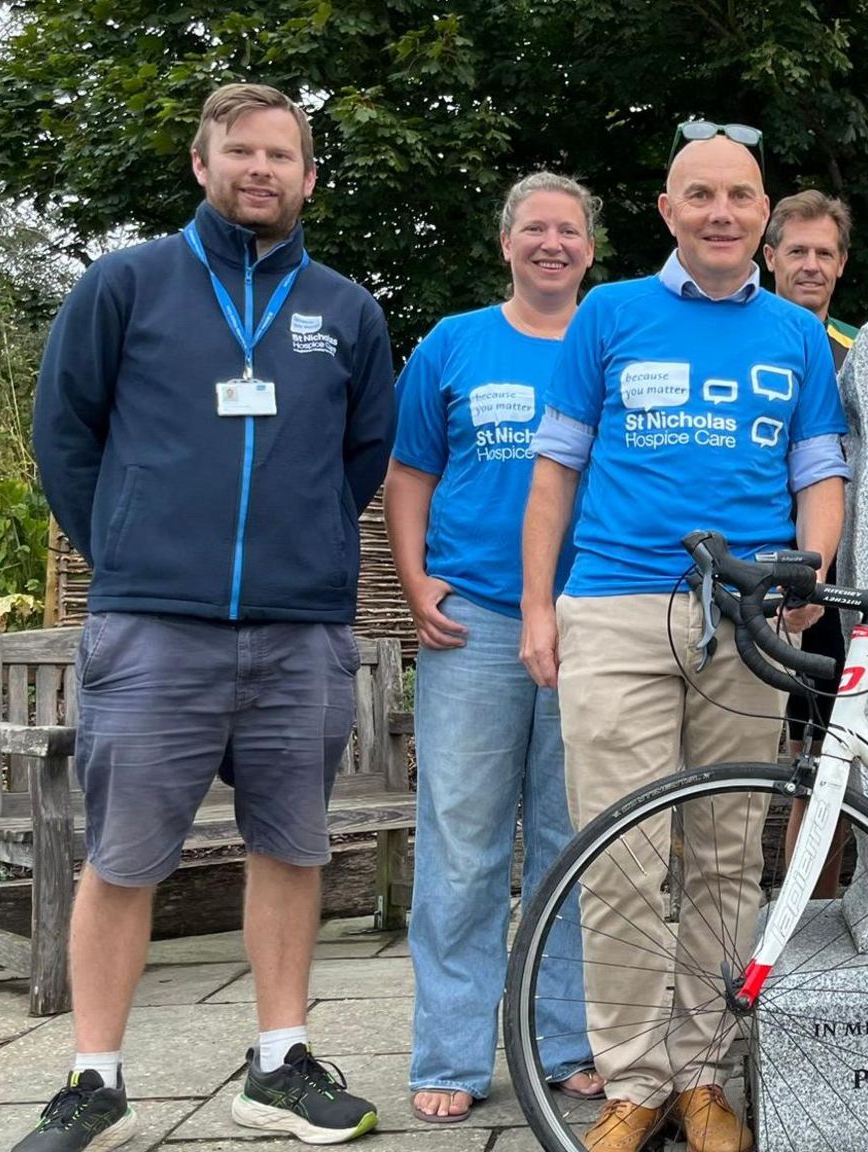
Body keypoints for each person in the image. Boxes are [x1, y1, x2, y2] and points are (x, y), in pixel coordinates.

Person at [25, 82, 392, 1150]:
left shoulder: (344, 310)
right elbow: (66, 432)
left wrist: (306, 549)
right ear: (203, 162)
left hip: (299, 630)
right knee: (125, 856)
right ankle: (96, 1077)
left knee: (291, 846)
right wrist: (130, 549)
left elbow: (359, 455)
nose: (260, 170)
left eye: (282, 155)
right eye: (241, 152)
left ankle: (278, 1062)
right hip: (154, 627)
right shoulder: (127, 284)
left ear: (309, 177)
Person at [519, 122, 849, 1152]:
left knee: (718, 856)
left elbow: (819, 474)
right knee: (618, 853)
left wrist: (811, 573)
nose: (719, 213)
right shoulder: (609, 314)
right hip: (616, 607)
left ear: (761, 214)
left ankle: (705, 1076)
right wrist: (538, 607)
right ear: (667, 211)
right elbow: (556, 471)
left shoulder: (794, 335)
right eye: (698, 195)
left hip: (746, 616)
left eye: (738, 197)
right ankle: (633, 1080)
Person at [386, 173, 605, 1123]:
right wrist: (413, 576)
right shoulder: (453, 343)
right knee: (464, 844)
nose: (551, 243)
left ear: (591, 249)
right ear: (505, 242)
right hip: (472, 618)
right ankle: (451, 1052)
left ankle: (563, 1041)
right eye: (534, 229)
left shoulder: (611, 340)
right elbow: (409, 471)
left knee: (572, 840)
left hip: (589, 620)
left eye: (568, 230)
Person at [762, 189, 858, 766]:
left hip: (839, 579)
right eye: (797, 251)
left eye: (824, 253)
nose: (811, 266)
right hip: (763, 569)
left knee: (826, 758)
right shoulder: (742, 340)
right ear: (769, 256)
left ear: (841, 263)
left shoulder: (865, 354)